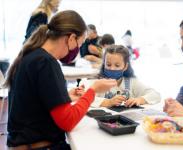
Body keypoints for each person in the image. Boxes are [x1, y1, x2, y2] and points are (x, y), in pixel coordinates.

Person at [4, 10, 116, 149]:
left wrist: (64, 97)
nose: (77, 50)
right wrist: (93, 91)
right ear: (70, 38)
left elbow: (34, 102)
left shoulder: (31, 56)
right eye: (79, 44)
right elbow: (67, 122)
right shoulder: (46, 63)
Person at [91, 45, 161, 108]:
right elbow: (83, 97)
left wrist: (139, 100)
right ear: (104, 65)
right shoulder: (97, 82)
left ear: (125, 66)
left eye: (117, 65)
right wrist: (109, 102)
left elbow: (155, 95)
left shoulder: (132, 82)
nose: (112, 68)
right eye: (108, 65)